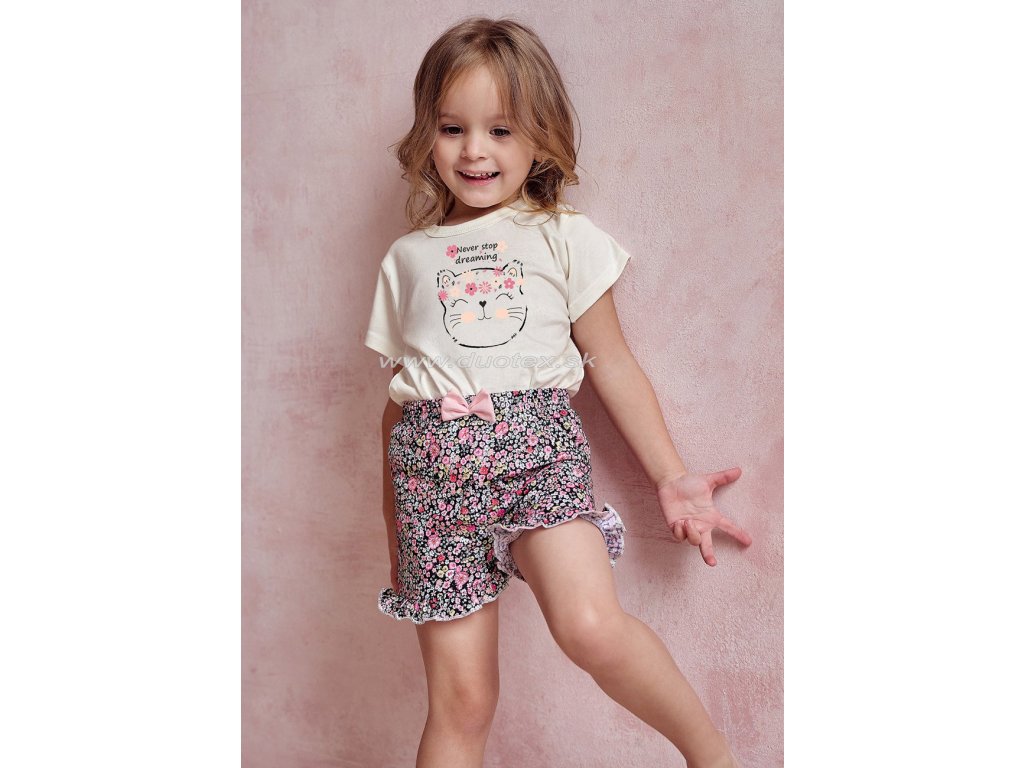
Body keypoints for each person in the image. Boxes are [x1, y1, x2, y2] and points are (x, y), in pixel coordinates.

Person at [363, 16, 752, 768]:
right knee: (462, 702)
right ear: (426, 135)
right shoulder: (407, 258)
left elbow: (611, 362)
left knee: (590, 627)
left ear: (540, 138)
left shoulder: (561, 235)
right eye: (452, 128)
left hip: (535, 458)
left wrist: (671, 477)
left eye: (501, 129)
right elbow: (397, 405)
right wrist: (396, 534)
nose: (474, 151)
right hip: (429, 483)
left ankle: (715, 758)